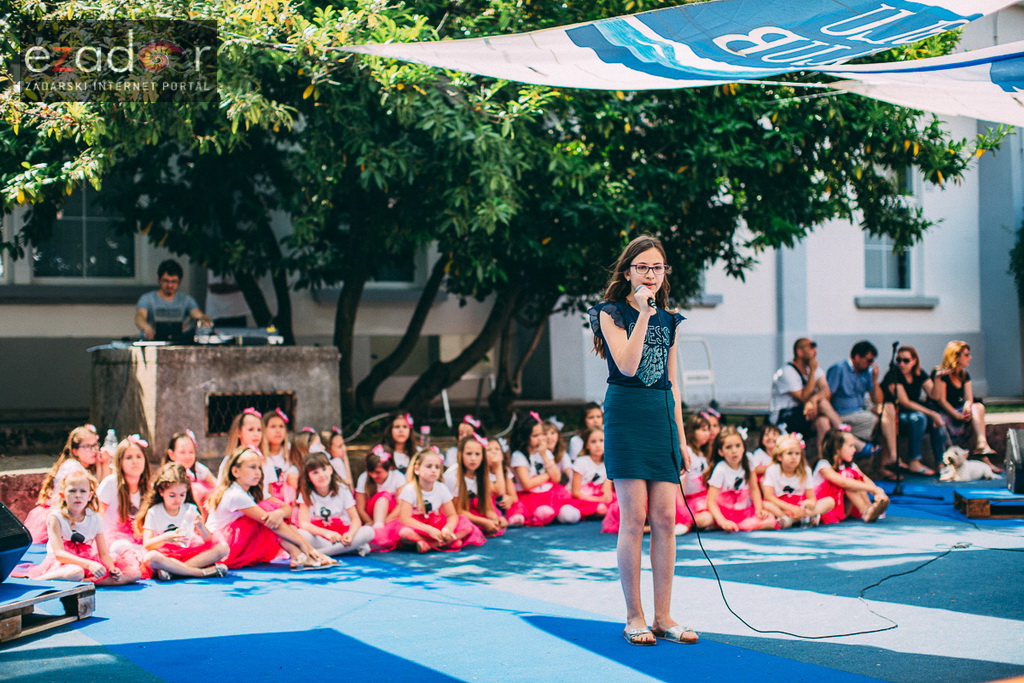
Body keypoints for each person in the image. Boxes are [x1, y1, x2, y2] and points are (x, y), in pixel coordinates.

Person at [587, 234, 697, 647]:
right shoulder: (609, 313)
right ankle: (634, 615)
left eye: (657, 267)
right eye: (643, 267)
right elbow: (629, 365)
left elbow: (673, 383)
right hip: (627, 415)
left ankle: (663, 616)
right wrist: (645, 314)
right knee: (634, 518)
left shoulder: (672, 320)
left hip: (660, 416)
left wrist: (681, 438)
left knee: (666, 518)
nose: (651, 274)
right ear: (628, 271)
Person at [205, 447, 334, 570]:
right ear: (235, 472)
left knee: (272, 513)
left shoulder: (253, 491)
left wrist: (279, 513)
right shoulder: (235, 494)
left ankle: (299, 555)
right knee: (267, 514)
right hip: (223, 546)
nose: (258, 472)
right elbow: (269, 521)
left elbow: (287, 509)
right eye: (252, 467)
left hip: (237, 542)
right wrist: (305, 545)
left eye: (259, 468)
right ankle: (302, 553)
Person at [14, 471, 141, 585]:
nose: (78, 495)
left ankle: (86, 582)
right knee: (76, 572)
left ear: (90, 495)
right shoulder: (56, 517)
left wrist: (112, 568)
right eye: (72, 491)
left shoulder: (95, 517)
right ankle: (38, 581)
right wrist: (88, 565)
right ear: (63, 495)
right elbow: (59, 554)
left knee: (133, 574)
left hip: (88, 558)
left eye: (83, 491)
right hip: (66, 562)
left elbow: (103, 553)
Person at [138, 463, 230, 580]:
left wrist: (201, 526)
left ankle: (174, 572)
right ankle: (200, 573)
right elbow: (147, 544)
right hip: (167, 555)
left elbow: (208, 540)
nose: (178, 500)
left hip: (190, 553)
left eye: (182, 495)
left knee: (223, 548)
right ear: (161, 492)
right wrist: (165, 538)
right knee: (151, 557)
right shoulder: (154, 512)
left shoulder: (189, 508)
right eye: (172, 495)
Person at [23, 425, 108, 543]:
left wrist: (102, 464)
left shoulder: (86, 467)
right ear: (75, 451)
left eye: (95, 445)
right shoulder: (73, 467)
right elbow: (96, 494)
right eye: (88, 446)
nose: (94, 450)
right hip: (61, 515)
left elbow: (102, 491)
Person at [825, 341, 897, 477]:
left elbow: (878, 400)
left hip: (861, 410)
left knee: (888, 408)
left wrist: (874, 379)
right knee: (882, 422)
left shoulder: (867, 372)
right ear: (857, 357)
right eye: (869, 360)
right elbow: (827, 396)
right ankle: (884, 461)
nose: (871, 364)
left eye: (873, 361)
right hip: (844, 414)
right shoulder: (839, 369)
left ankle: (892, 456)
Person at [396, 449, 484, 553]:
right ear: (417, 469)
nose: (433, 470)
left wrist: (448, 529)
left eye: (437, 467)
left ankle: (431, 545)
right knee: (404, 533)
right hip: (419, 527)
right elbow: (405, 519)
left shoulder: (442, 488)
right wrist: (429, 530)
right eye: (429, 466)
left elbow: (452, 515)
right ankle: (447, 543)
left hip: (437, 524)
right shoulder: (410, 489)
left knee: (467, 526)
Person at [932, 341, 1001, 472]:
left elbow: (969, 398)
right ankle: (941, 464)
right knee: (939, 424)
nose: (970, 357)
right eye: (966, 355)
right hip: (946, 412)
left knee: (977, 408)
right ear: (956, 356)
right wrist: (956, 415)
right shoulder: (941, 374)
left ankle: (982, 445)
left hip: (959, 410)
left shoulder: (964, 374)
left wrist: (967, 407)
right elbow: (941, 401)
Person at [882, 345, 946, 475]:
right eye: (899, 360)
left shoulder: (919, 374)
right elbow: (905, 402)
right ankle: (914, 461)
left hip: (914, 412)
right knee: (919, 418)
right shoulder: (893, 375)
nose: (901, 364)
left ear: (914, 361)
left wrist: (938, 378)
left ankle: (940, 463)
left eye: (906, 361)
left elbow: (934, 396)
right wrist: (931, 413)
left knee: (936, 422)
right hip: (896, 414)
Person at [296, 453, 374, 557]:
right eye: (315, 472)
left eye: (324, 469)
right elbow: (304, 523)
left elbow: (356, 519)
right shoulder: (306, 493)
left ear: (330, 469)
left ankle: (322, 553)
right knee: (301, 533)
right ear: (308, 477)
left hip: (342, 535)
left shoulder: (342, 489)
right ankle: (347, 549)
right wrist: (326, 533)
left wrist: (350, 534)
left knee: (369, 531)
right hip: (322, 537)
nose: (321, 475)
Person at [769, 338, 837, 455]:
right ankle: (842, 430)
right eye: (811, 347)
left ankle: (823, 459)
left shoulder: (814, 369)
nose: (815, 351)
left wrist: (813, 400)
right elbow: (804, 397)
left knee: (823, 422)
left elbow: (826, 391)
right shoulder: (786, 372)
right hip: (785, 415)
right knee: (822, 403)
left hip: (806, 413)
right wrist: (812, 372)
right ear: (799, 352)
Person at [704, 427, 777, 533]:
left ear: (743, 448)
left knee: (770, 521)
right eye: (728, 447)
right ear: (720, 451)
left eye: (738, 446)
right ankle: (727, 524)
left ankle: (740, 524)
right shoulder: (720, 469)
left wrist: (759, 510)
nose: (734, 451)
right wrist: (722, 521)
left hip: (744, 511)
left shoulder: (748, 462)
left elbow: (754, 489)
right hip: (725, 512)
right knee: (704, 520)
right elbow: (711, 500)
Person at [510, 414, 578, 526]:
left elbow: (556, 478)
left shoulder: (546, 452)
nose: (541, 438)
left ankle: (557, 514)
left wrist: (544, 455)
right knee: (545, 513)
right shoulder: (518, 456)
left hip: (550, 493)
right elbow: (527, 484)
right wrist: (547, 475)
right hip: (530, 497)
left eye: (542, 434)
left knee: (570, 516)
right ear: (525, 437)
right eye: (535, 435)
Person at [813, 429, 889, 524]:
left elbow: (865, 479)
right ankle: (866, 511)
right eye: (850, 446)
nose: (854, 450)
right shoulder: (823, 464)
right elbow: (843, 482)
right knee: (849, 480)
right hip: (827, 506)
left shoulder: (850, 465)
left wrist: (878, 493)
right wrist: (873, 489)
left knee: (855, 477)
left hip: (843, 506)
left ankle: (869, 508)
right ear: (837, 449)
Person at [759, 434, 834, 528]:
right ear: (779, 457)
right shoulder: (772, 470)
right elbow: (768, 496)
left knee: (830, 501)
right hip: (781, 506)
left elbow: (811, 497)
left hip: (800, 505)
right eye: (790, 453)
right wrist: (790, 508)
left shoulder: (805, 470)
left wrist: (810, 502)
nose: (794, 457)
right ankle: (803, 518)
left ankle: (791, 520)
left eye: (797, 453)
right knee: (765, 504)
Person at [135, 259, 212, 341]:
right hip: (152, 343)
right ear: (158, 279)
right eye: (166, 281)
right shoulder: (147, 299)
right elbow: (140, 317)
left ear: (179, 281)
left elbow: (197, 313)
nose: (170, 285)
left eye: (174, 281)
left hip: (178, 342)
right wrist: (147, 328)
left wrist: (204, 320)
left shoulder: (186, 300)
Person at [445, 435, 506, 536]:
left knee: (495, 525)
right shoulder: (452, 476)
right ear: (460, 454)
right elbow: (458, 511)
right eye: (469, 454)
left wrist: (496, 519)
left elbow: (487, 507)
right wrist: (484, 522)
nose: (473, 458)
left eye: (477, 454)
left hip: (472, 513)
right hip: (455, 515)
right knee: (467, 528)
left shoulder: (481, 474)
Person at [96, 435, 153, 544]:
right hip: (112, 541)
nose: (135, 461)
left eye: (139, 457)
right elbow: (97, 515)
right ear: (120, 462)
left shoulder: (150, 488)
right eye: (129, 457)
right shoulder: (110, 483)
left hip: (140, 540)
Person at [569, 427, 614, 520]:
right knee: (600, 508)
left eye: (601, 441)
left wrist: (605, 498)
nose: (598, 445)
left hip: (600, 496)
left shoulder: (609, 462)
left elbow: (607, 494)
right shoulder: (581, 462)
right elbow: (575, 492)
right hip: (584, 497)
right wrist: (597, 500)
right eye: (593, 442)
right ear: (587, 445)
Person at [164, 430, 217, 507]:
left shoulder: (198, 468)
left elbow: (217, 485)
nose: (187, 457)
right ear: (171, 454)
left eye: (191, 452)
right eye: (182, 452)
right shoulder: (168, 474)